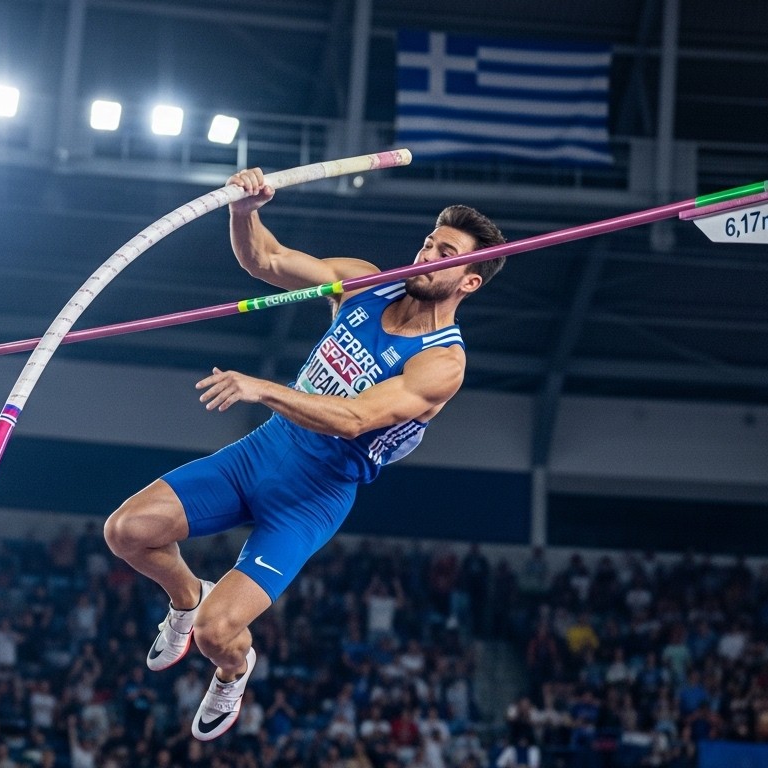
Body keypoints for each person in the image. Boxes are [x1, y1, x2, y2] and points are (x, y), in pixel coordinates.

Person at [104, 166, 506, 741]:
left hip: (312, 498)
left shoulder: (442, 363)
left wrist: (262, 387)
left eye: (444, 253)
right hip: (262, 453)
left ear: (468, 282)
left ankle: (234, 671)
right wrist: (245, 212)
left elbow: (354, 419)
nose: (425, 256)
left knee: (221, 634)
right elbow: (266, 260)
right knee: (126, 531)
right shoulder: (368, 282)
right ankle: (186, 597)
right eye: (427, 242)